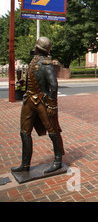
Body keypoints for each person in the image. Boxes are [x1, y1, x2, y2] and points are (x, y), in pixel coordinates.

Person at [11, 37, 65, 174]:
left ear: (38, 48)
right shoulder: (33, 61)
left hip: (42, 102)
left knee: (53, 131)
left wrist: (52, 105)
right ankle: (25, 164)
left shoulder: (46, 64)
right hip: (29, 100)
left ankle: (58, 160)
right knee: (24, 132)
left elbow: (53, 84)